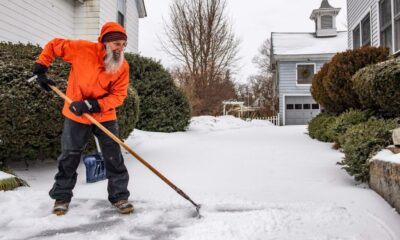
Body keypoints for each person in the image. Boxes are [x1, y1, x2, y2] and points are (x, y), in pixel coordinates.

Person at [32, 22, 133, 216]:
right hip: (76, 115)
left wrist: (93, 105)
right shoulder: (82, 49)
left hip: (104, 115)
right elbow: (54, 45)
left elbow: (118, 96)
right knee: (69, 156)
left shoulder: (123, 66)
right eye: (116, 44)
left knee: (113, 156)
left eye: (123, 44)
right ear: (105, 42)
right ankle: (61, 197)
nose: (120, 48)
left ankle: (120, 196)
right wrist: (41, 68)